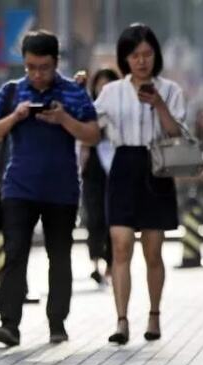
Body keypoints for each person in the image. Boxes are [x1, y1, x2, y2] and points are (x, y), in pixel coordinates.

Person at [0, 30, 100, 346]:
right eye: (31, 67)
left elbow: (92, 135)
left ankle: (57, 322)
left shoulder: (73, 93)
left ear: (56, 62)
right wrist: (16, 117)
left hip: (62, 191)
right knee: (15, 252)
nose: (37, 74)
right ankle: (9, 324)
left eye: (44, 67)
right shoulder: (10, 92)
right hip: (18, 188)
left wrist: (64, 119)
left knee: (59, 257)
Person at [94, 23, 185, 345]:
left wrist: (159, 104)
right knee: (119, 245)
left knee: (153, 249)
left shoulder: (170, 89)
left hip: (156, 166)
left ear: (155, 55)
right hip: (123, 166)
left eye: (147, 54)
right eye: (135, 55)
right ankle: (121, 320)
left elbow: (177, 133)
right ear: (125, 58)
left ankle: (154, 314)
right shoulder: (111, 91)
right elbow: (94, 127)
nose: (141, 61)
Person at [78, 68, 119, 285]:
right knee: (94, 218)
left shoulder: (121, 110)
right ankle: (95, 262)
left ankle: (112, 264)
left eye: (108, 86)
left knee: (113, 218)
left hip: (116, 170)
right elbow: (82, 140)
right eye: (99, 85)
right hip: (93, 170)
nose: (103, 90)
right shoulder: (89, 110)